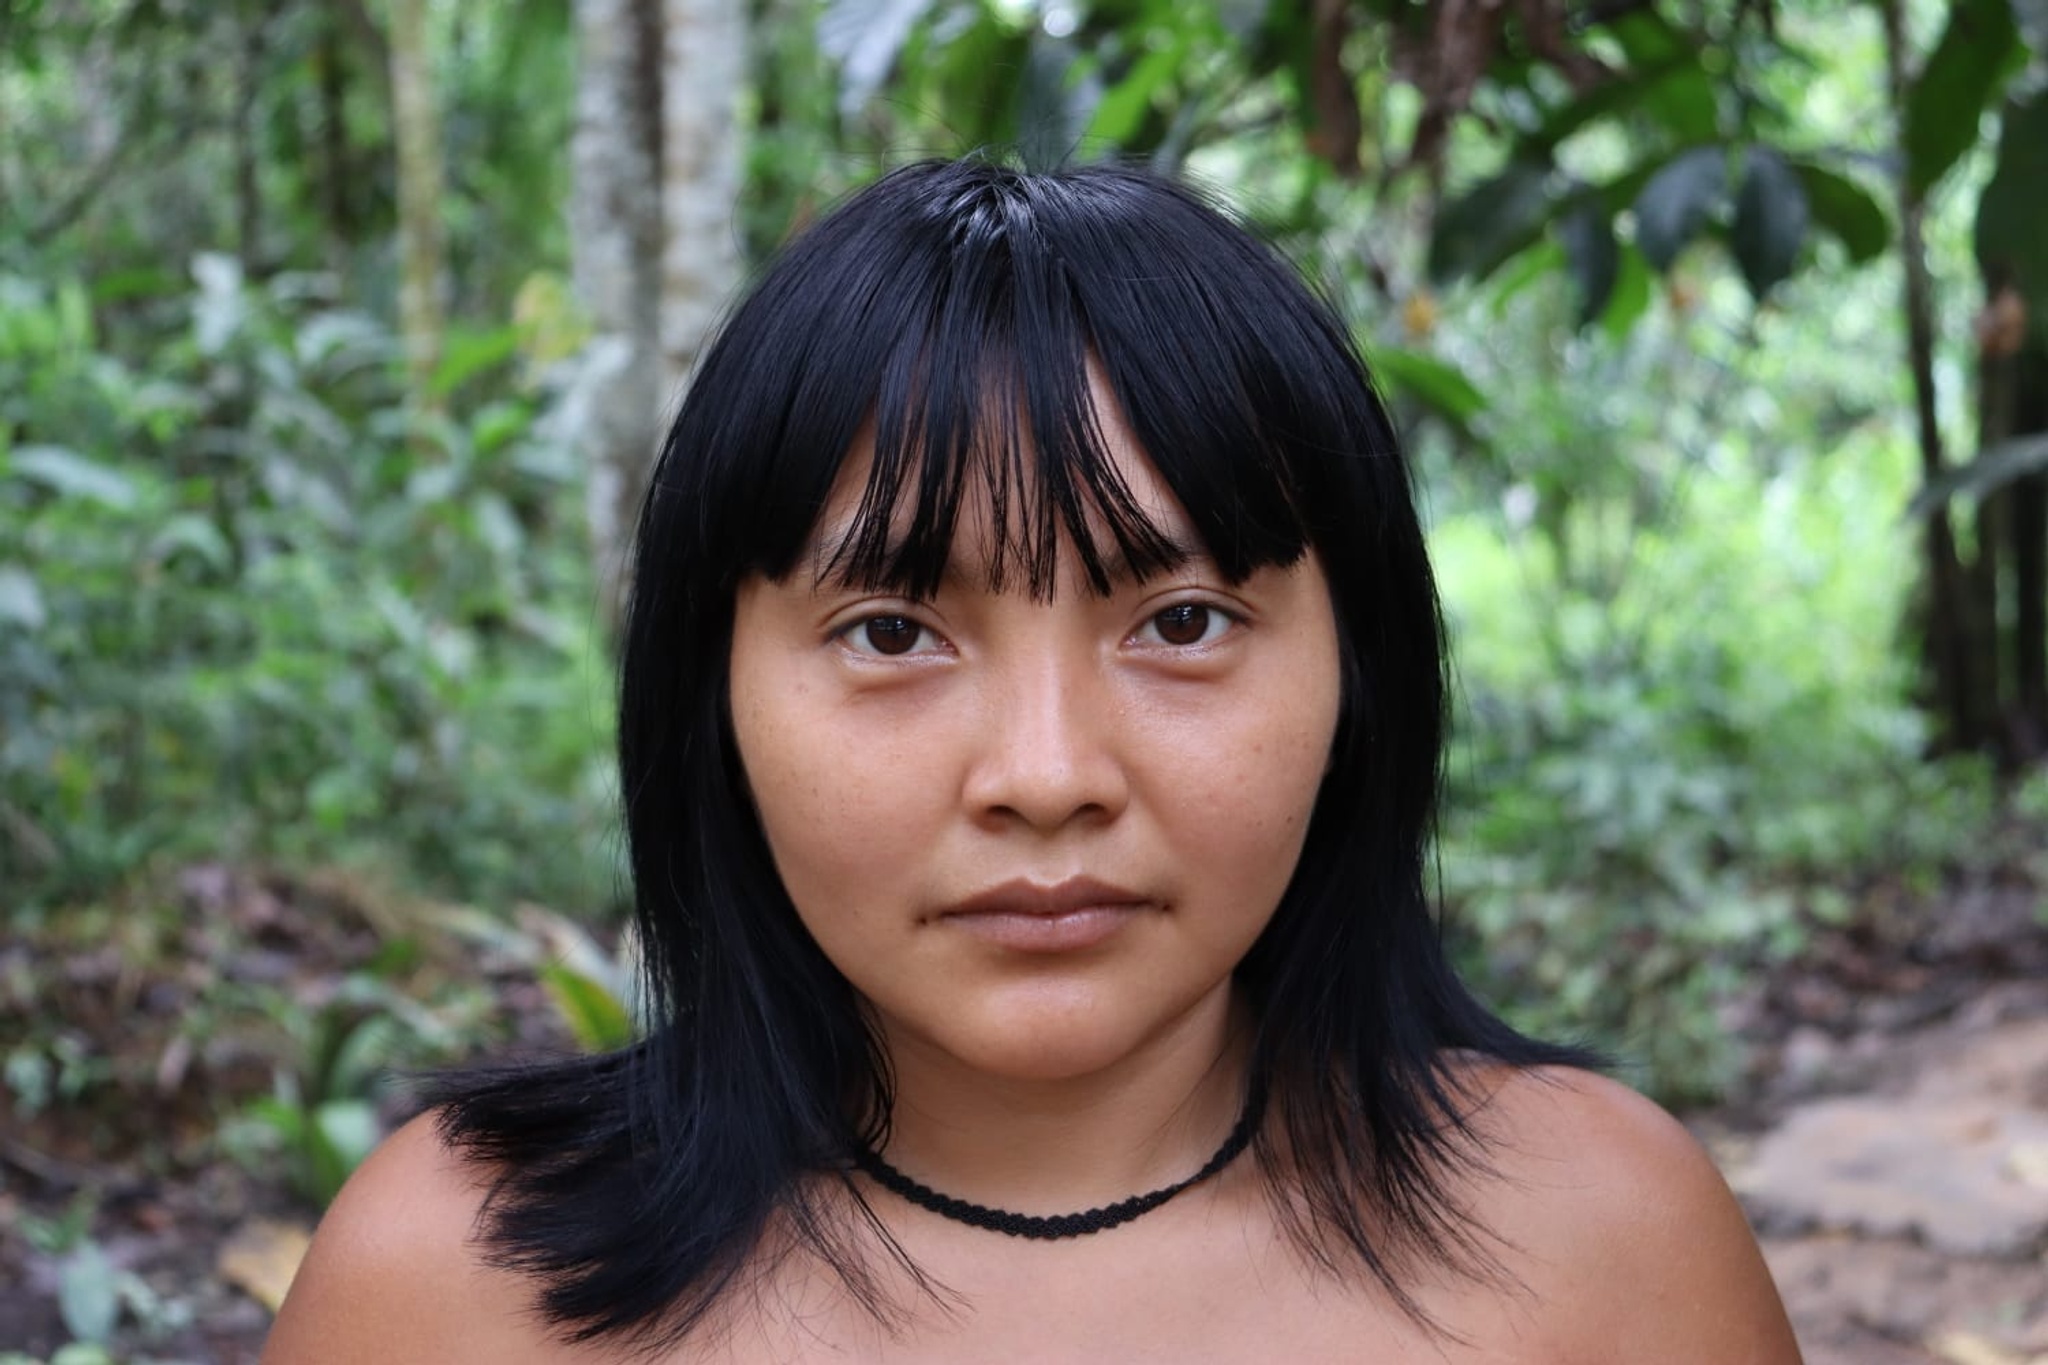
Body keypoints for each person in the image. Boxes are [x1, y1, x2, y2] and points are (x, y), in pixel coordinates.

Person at [262, 158, 1802, 1363]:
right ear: (709, 687)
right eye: (889, 632)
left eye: (1183, 619)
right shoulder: (454, 1285)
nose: (1048, 772)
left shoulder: (1608, 1244)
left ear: (1360, 674)